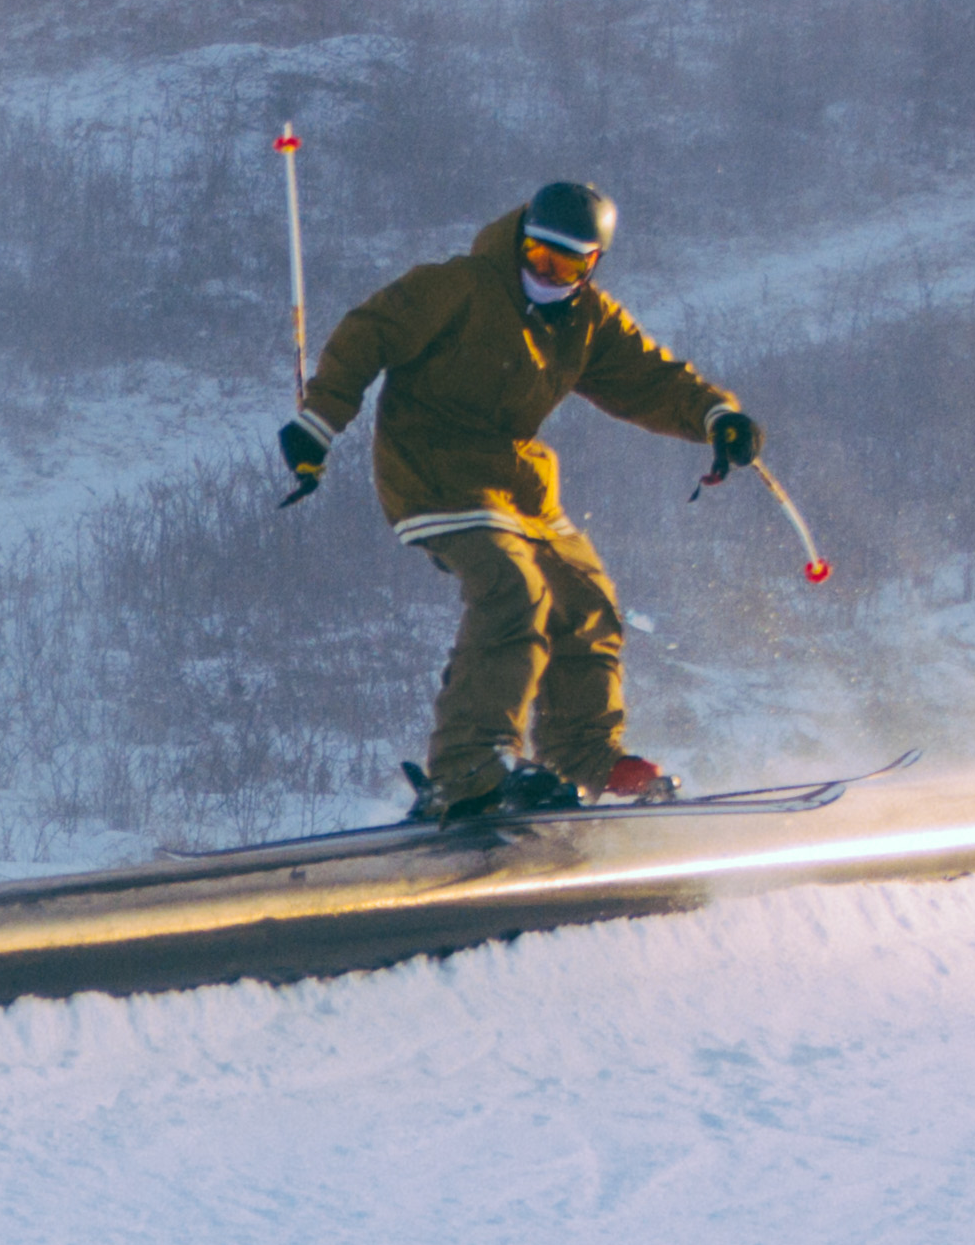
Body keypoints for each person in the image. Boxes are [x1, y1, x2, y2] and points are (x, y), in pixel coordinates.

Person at [274, 181, 763, 824]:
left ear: (593, 266)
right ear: (520, 240)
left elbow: (650, 378)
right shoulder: (462, 286)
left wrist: (715, 416)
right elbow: (371, 333)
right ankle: (468, 769)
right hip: (433, 471)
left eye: (566, 264)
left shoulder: (587, 321)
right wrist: (318, 425)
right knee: (513, 588)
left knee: (585, 596)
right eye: (536, 255)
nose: (546, 273)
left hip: (516, 484)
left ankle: (582, 756)